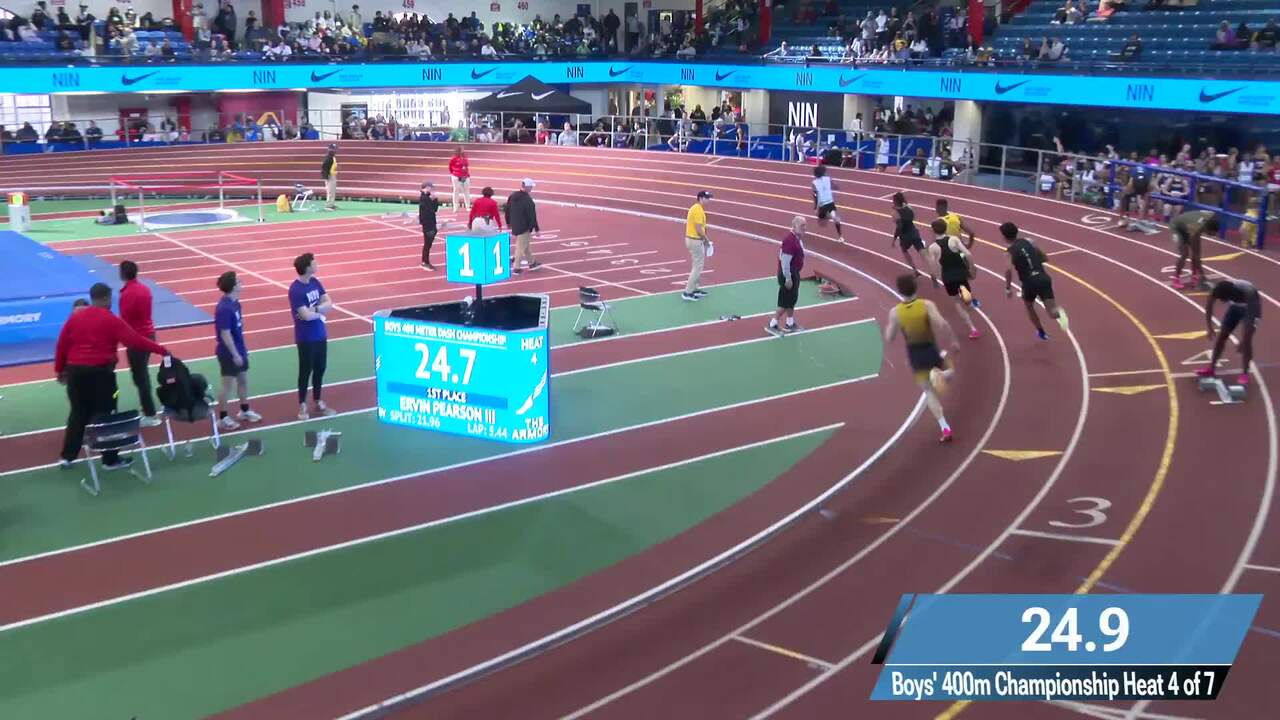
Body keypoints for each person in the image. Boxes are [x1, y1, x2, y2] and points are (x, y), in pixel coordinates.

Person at [54, 283, 169, 469]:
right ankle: (110, 460)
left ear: (92, 298)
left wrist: (60, 370)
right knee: (106, 415)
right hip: (101, 376)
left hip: (76, 374)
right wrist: (161, 350)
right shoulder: (111, 320)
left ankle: (67, 457)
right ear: (107, 298)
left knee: (77, 414)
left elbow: (62, 345)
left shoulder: (75, 318)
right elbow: (136, 341)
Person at [884, 273, 959, 443]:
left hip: (915, 354)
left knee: (928, 391)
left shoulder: (895, 312)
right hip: (930, 348)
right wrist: (953, 339)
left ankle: (944, 426)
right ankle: (943, 373)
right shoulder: (926, 305)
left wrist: (893, 328)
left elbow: (890, 337)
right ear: (915, 287)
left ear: (900, 291)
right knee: (949, 373)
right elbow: (942, 324)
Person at [1001, 222, 1068, 340]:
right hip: (1044, 278)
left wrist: (1008, 287)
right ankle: (1059, 313)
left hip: (1029, 283)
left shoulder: (1009, 252)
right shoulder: (1029, 242)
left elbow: (1008, 269)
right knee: (1052, 312)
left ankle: (1041, 332)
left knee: (1029, 306)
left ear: (1004, 237)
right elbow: (1045, 257)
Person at [289, 253, 336, 421]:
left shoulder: (316, 282)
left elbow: (330, 303)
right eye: (314, 262)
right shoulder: (295, 290)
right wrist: (319, 311)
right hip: (305, 337)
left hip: (320, 333)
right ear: (307, 267)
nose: (317, 264)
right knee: (305, 370)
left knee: (320, 368)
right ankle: (302, 404)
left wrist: (315, 310)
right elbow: (304, 316)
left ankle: (317, 400)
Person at [213, 271, 261, 430]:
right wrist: (235, 354)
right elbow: (225, 334)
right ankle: (223, 418)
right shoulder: (224, 308)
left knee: (243, 380)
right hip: (228, 353)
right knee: (227, 385)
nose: (241, 283)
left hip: (240, 349)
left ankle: (244, 410)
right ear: (233, 286)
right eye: (239, 281)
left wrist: (242, 351)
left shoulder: (235, 303)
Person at [118, 260, 161, 427]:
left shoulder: (127, 294)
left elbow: (126, 319)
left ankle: (150, 414)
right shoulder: (145, 289)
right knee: (141, 376)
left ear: (123, 274)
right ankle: (147, 409)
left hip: (138, 340)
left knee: (140, 378)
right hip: (149, 335)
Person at [1197, 279, 1261, 387]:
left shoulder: (1248, 292)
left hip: (1251, 308)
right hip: (1235, 307)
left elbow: (1250, 318)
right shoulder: (1217, 290)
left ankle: (1245, 373)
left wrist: (1243, 340)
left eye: (1225, 299)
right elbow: (1209, 306)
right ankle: (1211, 368)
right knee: (1222, 335)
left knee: (1247, 341)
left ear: (1231, 293)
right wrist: (1210, 328)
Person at [928, 219, 982, 340]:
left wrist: (935, 279)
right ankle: (968, 298)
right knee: (966, 296)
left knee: (957, 302)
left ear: (933, 231)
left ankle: (973, 329)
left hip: (948, 277)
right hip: (961, 273)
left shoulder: (932, 247)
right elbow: (968, 254)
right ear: (946, 228)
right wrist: (972, 269)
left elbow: (934, 267)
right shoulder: (954, 240)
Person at [770, 216, 808, 336]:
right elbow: (785, 261)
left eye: (805, 225)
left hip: (794, 273)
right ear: (795, 226)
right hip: (788, 274)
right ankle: (773, 323)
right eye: (802, 226)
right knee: (785, 302)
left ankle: (790, 323)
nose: (805, 228)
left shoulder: (796, 239)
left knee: (791, 299)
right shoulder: (789, 240)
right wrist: (788, 278)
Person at [890, 192, 937, 287]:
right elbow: (912, 217)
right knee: (924, 255)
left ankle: (915, 270)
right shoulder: (909, 208)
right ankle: (933, 275)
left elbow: (899, 226)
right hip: (914, 233)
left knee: (905, 251)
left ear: (895, 201)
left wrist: (894, 238)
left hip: (905, 236)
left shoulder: (895, 213)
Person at [1169, 210, 1220, 290]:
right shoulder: (1195, 230)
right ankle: (1175, 279)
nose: (1210, 236)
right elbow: (1196, 255)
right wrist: (1203, 276)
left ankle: (1194, 276)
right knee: (1185, 254)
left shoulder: (1211, 215)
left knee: (1196, 254)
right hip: (1177, 228)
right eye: (1209, 234)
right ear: (1206, 229)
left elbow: (1197, 255)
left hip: (1190, 226)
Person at [505, 178, 542, 273]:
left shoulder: (513, 196)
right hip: (525, 226)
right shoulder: (528, 200)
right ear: (528, 187)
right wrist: (536, 229)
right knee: (520, 247)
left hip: (515, 225)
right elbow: (532, 216)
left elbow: (507, 209)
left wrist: (508, 222)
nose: (532, 188)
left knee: (525, 245)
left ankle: (531, 262)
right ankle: (516, 267)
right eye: (531, 187)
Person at [683, 191, 712, 302]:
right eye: (707, 198)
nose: (708, 200)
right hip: (695, 241)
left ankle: (695, 289)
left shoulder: (696, 208)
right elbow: (699, 228)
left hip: (692, 240)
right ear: (700, 198)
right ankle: (688, 292)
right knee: (697, 267)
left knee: (697, 265)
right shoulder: (698, 210)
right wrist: (706, 240)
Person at [811, 165, 845, 242]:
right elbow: (836, 187)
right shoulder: (828, 179)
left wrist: (815, 207)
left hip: (822, 204)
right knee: (831, 216)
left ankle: (831, 217)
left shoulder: (814, 183)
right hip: (830, 202)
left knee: (821, 222)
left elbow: (815, 196)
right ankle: (840, 236)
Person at [418, 182, 440, 270]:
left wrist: (434, 200)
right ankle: (425, 262)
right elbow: (431, 210)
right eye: (430, 188)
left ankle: (425, 261)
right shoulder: (424, 198)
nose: (432, 189)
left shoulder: (426, 197)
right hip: (428, 224)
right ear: (426, 187)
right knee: (427, 244)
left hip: (430, 223)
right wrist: (432, 199)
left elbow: (434, 209)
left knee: (428, 244)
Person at [320, 143, 338, 211]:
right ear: (329, 149)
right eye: (333, 148)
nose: (335, 150)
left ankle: (331, 204)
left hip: (333, 175)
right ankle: (328, 205)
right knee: (330, 191)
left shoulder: (332, 157)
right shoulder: (328, 157)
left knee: (333, 190)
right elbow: (324, 167)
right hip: (329, 176)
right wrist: (326, 176)